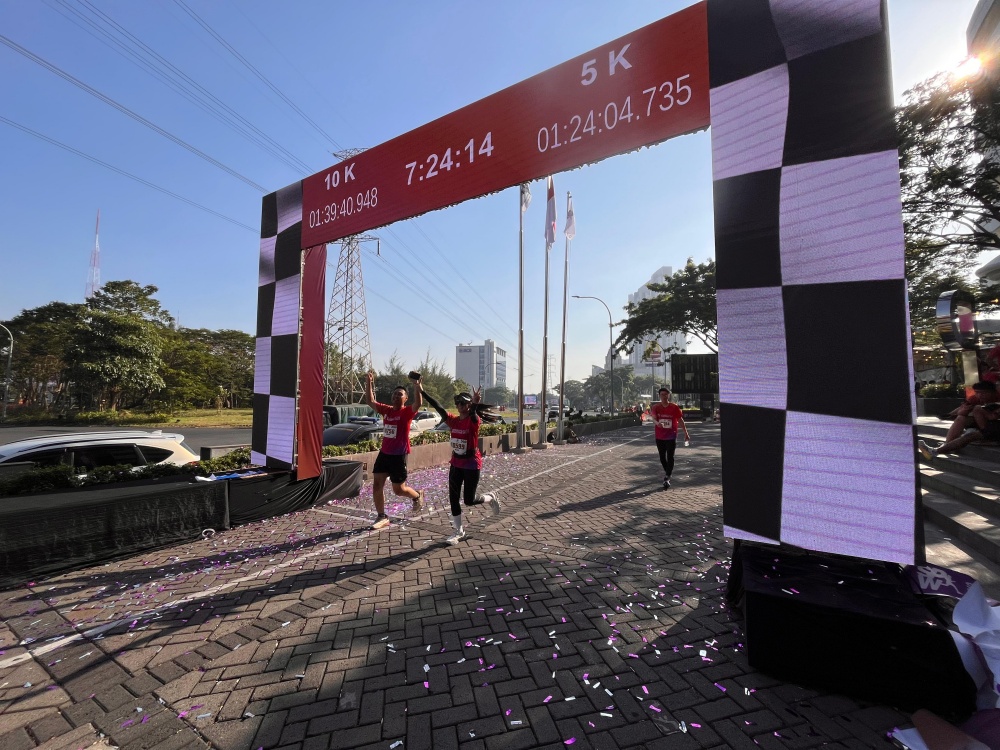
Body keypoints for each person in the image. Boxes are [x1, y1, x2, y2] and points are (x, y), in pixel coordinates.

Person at [422, 387, 502, 544]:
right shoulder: (453, 420)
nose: (459, 406)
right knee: (453, 497)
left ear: (469, 405)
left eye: (463, 403)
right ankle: (459, 531)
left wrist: (475, 404)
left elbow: (474, 416)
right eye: (457, 403)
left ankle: (490, 498)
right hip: (456, 463)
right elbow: (438, 407)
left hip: (471, 464)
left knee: (469, 500)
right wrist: (421, 391)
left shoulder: (473, 420)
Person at [363, 370, 424, 529]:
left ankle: (417, 495)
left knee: (399, 490)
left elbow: (418, 404)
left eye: (400, 394)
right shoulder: (386, 410)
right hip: (384, 454)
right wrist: (369, 382)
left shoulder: (407, 412)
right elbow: (370, 401)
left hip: (399, 456)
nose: (396, 396)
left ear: (405, 398)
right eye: (395, 394)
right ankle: (382, 516)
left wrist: (417, 386)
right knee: (377, 485)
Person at [920, 401, 1000, 459]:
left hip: (994, 430)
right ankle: (942, 447)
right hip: (991, 428)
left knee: (971, 435)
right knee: (965, 422)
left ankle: (935, 451)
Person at [650, 386, 690, 489]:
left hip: (671, 435)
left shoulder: (674, 407)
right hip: (659, 436)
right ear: (659, 396)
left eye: (666, 394)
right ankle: (668, 472)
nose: (664, 396)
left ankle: (667, 476)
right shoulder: (656, 407)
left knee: (670, 456)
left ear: (669, 395)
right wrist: (657, 423)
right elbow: (653, 419)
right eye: (662, 395)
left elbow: (680, 420)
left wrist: (686, 433)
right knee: (662, 457)